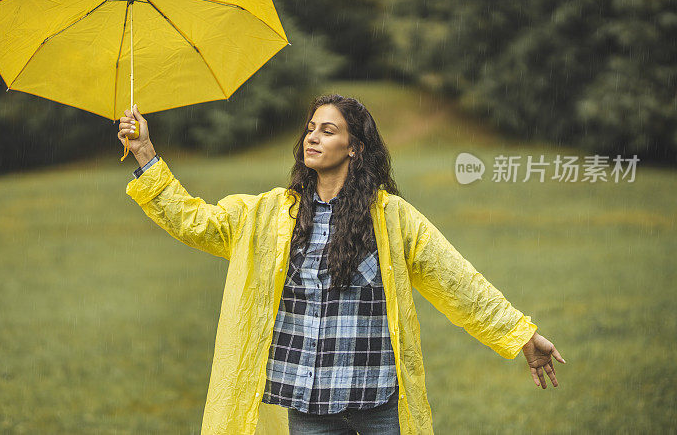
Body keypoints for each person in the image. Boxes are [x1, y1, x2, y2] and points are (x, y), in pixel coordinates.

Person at [118, 95, 565, 435]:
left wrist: (519, 334)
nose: (313, 137)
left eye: (328, 131)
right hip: (307, 406)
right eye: (311, 128)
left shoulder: (391, 217)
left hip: (379, 403)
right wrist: (145, 153)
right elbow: (193, 221)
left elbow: (458, 280)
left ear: (355, 147)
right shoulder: (268, 214)